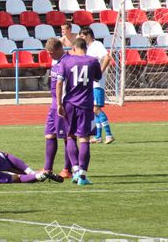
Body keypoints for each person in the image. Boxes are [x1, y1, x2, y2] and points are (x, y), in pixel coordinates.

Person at [55, 37, 101, 186]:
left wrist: (59, 103)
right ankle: (82, 174)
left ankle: (74, 169)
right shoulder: (93, 61)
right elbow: (97, 77)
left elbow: (60, 82)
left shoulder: (66, 61)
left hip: (69, 103)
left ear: (74, 48)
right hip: (86, 104)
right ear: (85, 47)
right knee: (84, 139)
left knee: (70, 136)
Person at [80, 27, 114, 144]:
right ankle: (98, 136)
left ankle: (109, 134)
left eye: (83, 36)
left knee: (96, 109)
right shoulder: (88, 48)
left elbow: (107, 57)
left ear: (89, 35)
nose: (82, 38)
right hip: (90, 84)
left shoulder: (97, 45)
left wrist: (100, 72)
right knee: (92, 110)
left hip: (97, 84)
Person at [43, 38, 68, 175]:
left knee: (67, 136)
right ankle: (47, 168)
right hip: (53, 104)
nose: (49, 55)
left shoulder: (67, 62)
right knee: (49, 134)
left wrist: (61, 103)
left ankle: (67, 169)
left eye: (51, 53)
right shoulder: (56, 62)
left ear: (58, 49)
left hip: (63, 104)